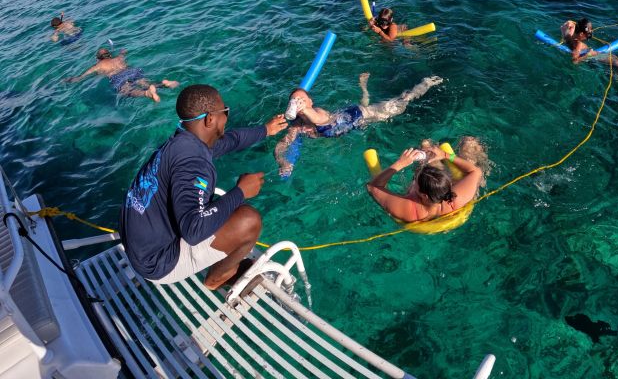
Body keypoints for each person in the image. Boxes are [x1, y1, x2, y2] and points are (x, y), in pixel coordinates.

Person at [119, 84, 289, 289]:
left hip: (140, 245)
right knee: (248, 220)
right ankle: (217, 279)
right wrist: (241, 191)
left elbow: (231, 141)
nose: (227, 116)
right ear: (210, 119)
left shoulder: (182, 142)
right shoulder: (194, 164)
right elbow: (193, 230)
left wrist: (266, 130)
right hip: (158, 263)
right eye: (225, 111)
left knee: (217, 207)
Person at [275, 73, 443, 178]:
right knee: (370, 104)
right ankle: (364, 88)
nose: (298, 104)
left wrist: (303, 108)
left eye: (302, 100)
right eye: (295, 102)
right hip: (350, 124)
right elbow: (282, 145)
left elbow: (320, 121)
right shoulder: (296, 126)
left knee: (401, 102)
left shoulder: (317, 112)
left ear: (310, 102)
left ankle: (425, 83)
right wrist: (283, 161)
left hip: (359, 115)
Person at [366, 137, 486, 223]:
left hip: (421, 207)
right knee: (469, 142)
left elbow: (373, 187)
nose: (415, 179)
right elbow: (476, 171)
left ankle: (426, 148)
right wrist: (446, 155)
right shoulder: (455, 200)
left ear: (423, 195)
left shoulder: (409, 209)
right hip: (441, 204)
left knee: (425, 145)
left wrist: (400, 164)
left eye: (415, 179)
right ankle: (429, 150)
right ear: (448, 185)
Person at [64, 47, 179, 103]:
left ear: (98, 58)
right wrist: (122, 52)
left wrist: (68, 80)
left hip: (117, 77)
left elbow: (80, 78)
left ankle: (147, 93)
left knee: (127, 91)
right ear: (109, 55)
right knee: (144, 82)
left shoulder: (97, 66)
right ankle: (164, 84)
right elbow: (124, 52)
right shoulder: (119, 58)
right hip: (132, 71)